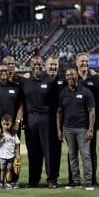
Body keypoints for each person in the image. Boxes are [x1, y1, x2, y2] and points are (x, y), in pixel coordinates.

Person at [22, 56, 58, 188]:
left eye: (39, 64)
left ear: (43, 65)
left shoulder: (50, 81)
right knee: (32, 151)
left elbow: (56, 104)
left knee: (48, 150)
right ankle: (33, 180)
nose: (37, 66)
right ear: (30, 66)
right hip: (30, 119)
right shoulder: (25, 81)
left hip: (46, 118)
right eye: (34, 64)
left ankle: (51, 179)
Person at [57, 68, 95, 190]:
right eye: (68, 75)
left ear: (76, 76)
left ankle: (88, 182)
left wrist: (90, 129)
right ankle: (76, 181)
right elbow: (59, 112)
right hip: (68, 128)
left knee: (85, 155)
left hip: (82, 129)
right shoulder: (63, 93)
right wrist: (59, 130)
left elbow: (92, 111)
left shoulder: (86, 92)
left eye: (72, 75)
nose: (70, 77)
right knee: (72, 155)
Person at [76, 52, 99, 186]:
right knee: (74, 152)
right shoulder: (72, 78)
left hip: (90, 122)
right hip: (75, 122)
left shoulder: (95, 78)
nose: (85, 64)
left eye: (86, 61)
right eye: (82, 61)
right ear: (76, 63)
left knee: (91, 151)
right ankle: (73, 180)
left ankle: (92, 179)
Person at [3, 56, 25, 189]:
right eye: (8, 64)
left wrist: (17, 121)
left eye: (12, 63)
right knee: (0, 152)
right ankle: (0, 179)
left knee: (16, 152)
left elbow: (22, 103)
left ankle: (14, 179)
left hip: (15, 124)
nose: (11, 66)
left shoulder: (20, 81)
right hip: (2, 124)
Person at [45, 55, 66, 186]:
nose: (53, 67)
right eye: (51, 65)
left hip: (61, 120)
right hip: (44, 120)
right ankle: (35, 178)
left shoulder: (63, 80)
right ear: (46, 66)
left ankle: (54, 177)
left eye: (55, 65)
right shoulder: (40, 79)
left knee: (56, 150)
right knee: (42, 150)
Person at [0, 114, 21, 189]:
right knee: (2, 169)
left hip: (11, 156)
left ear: (11, 124)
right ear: (1, 123)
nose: (6, 126)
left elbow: (17, 145)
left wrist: (17, 156)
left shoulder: (13, 134)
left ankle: (8, 183)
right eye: (4, 124)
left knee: (9, 169)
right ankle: (1, 182)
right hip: (2, 155)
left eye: (8, 124)